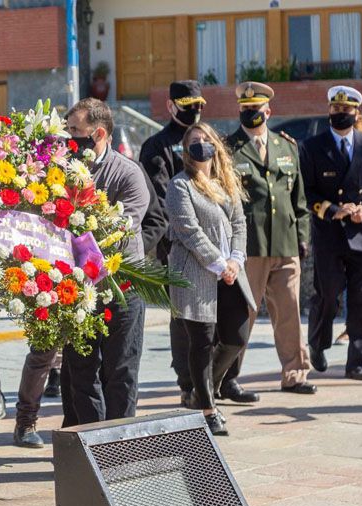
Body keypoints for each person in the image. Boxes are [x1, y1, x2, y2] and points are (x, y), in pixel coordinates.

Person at [59, 98, 150, 427]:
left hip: (121, 287)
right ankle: (90, 442)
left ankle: (119, 443)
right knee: (81, 372)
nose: (68, 138)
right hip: (78, 290)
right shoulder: (61, 172)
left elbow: (121, 228)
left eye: (74, 131)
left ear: (98, 134)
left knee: (121, 371)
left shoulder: (128, 173)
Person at [166, 122, 258, 435]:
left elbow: (239, 224)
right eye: (194, 140)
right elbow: (188, 231)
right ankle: (207, 408)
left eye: (206, 139)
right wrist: (220, 264)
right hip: (196, 272)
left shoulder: (225, 182)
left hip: (231, 271)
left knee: (236, 337)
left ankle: (205, 389)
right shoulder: (181, 185)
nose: (201, 144)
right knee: (202, 342)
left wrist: (236, 259)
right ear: (186, 149)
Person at [225, 82, 316, 395]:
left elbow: (299, 200)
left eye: (256, 109)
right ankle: (228, 377)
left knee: (289, 312)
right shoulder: (229, 147)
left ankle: (295, 374)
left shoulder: (286, 146)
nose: (251, 113)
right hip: (249, 245)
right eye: (246, 109)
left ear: (268, 111)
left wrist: (303, 237)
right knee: (243, 314)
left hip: (286, 242)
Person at [139, 80, 206, 406]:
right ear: (171, 106)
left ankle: (220, 378)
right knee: (184, 317)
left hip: (212, 243)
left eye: (198, 105)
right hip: (177, 245)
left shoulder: (207, 141)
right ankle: (187, 382)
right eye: (186, 104)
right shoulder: (157, 146)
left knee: (216, 314)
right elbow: (161, 200)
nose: (194, 110)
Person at [301, 85, 362, 381]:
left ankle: (357, 361)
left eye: (346, 110)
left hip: (360, 233)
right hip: (328, 233)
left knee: (361, 298)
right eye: (336, 109)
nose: (341, 114)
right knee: (328, 295)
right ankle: (318, 343)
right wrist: (329, 209)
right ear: (329, 111)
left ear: (356, 112)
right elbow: (306, 190)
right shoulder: (312, 147)